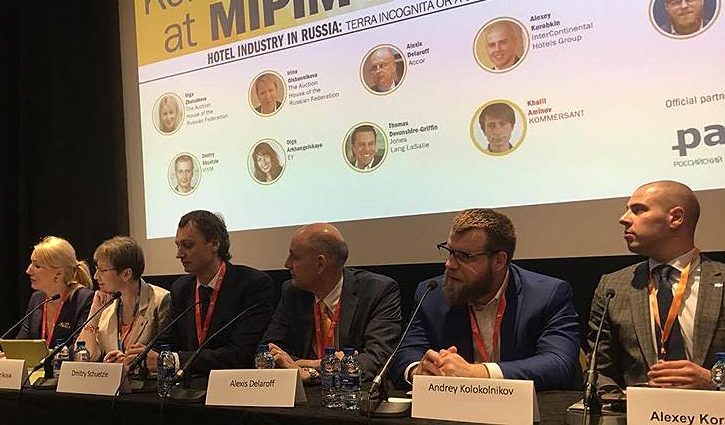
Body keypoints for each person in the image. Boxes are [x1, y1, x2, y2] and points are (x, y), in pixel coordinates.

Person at [391, 208, 581, 391]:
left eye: (464, 256)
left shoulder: (547, 295)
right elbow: (405, 354)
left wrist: (477, 373)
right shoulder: (432, 294)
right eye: (450, 251)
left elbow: (559, 362)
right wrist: (419, 370)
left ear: (499, 261)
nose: (450, 264)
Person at [588, 180, 725, 391]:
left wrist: (715, 380)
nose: (623, 219)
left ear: (676, 218)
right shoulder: (613, 286)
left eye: (638, 210)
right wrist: (624, 402)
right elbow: (598, 372)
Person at [124, 210, 274, 375]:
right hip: (187, 385)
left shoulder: (252, 284)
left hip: (234, 383)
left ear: (214, 244)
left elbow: (241, 353)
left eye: (187, 245)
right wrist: (140, 356)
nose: (179, 254)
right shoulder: (181, 288)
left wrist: (174, 360)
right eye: (178, 245)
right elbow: (166, 341)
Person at [261, 223, 402, 381]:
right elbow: (269, 352)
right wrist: (318, 364)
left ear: (320, 264)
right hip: (301, 393)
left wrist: (309, 371)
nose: (287, 264)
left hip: (353, 392)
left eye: (294, 257)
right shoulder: (292, 292)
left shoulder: (377, 291)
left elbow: (377, 359)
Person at [78, 236, 170, 363]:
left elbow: (163, 355)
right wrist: (94, 315)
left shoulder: (160, 301)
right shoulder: (106, 307)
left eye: (102, 270)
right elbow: (84, 357)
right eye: (97, 269)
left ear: (126, 274)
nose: (95, 276)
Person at [14, 236, 95, 347]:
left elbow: (80, 349)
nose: (28, 271)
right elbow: (22, 344)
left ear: (58, 274)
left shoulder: (84, 299)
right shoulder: (37, 299)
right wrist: (8, 354)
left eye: (37, 266)